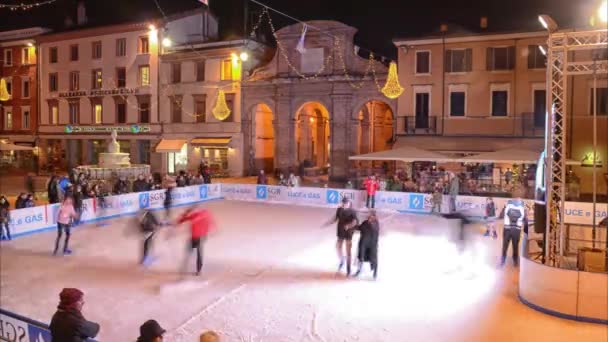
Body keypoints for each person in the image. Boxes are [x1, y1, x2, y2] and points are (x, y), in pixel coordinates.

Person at [176, 206, 215, 276]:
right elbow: (211, 222)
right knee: (196, 253)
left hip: (198, 237)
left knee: (193, 252)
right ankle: (197, 270)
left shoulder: (196, 215)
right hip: (197, 237)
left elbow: (183, 219)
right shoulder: (202, 214)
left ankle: (194, 269)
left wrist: (183, 215)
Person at [326, 197, 358, 275]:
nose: (345, 204)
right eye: (343, 203)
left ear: (349, 203)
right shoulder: (339, 209)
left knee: (348, 251)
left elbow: (355, 221)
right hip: (340, 232)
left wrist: (349, 226)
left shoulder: (353, 211)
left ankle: (348, 269)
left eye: (346, 203)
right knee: (338, 247)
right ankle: (342, 261)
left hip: (348, 233)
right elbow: (335, 218)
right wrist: (328, 223)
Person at [354, 210, 380, 279]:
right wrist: (353, 226)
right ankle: (359, 270)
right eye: (368, 215)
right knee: (361, 257)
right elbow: (359, 228)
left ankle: (375, 272)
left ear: (374, 216)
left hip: (372, 245)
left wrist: (370, 222)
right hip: (363, 244)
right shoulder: (365, 222)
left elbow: (374, 228)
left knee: (373, 259)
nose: (368, 216)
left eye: (370, 215)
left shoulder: (376, 223)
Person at [499, 198, 525, 267]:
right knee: (515, 246)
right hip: (516, 230)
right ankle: (515, 260)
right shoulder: (522, 207)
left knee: (505, 245)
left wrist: (504, 207)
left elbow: (500, 216)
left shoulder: (508, 205)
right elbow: (525, 219)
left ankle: (503, 259)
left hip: (507, 229)